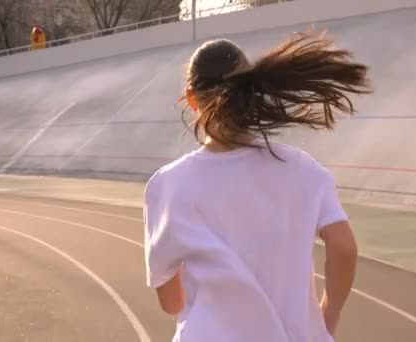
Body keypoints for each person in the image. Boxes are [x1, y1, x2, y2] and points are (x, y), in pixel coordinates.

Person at [143, 30, 370, 342]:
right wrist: (327, 317)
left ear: (191, 99)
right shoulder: (302, 169)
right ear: (252, 93)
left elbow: (171, 302)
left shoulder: (168, 185)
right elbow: (344, 247)